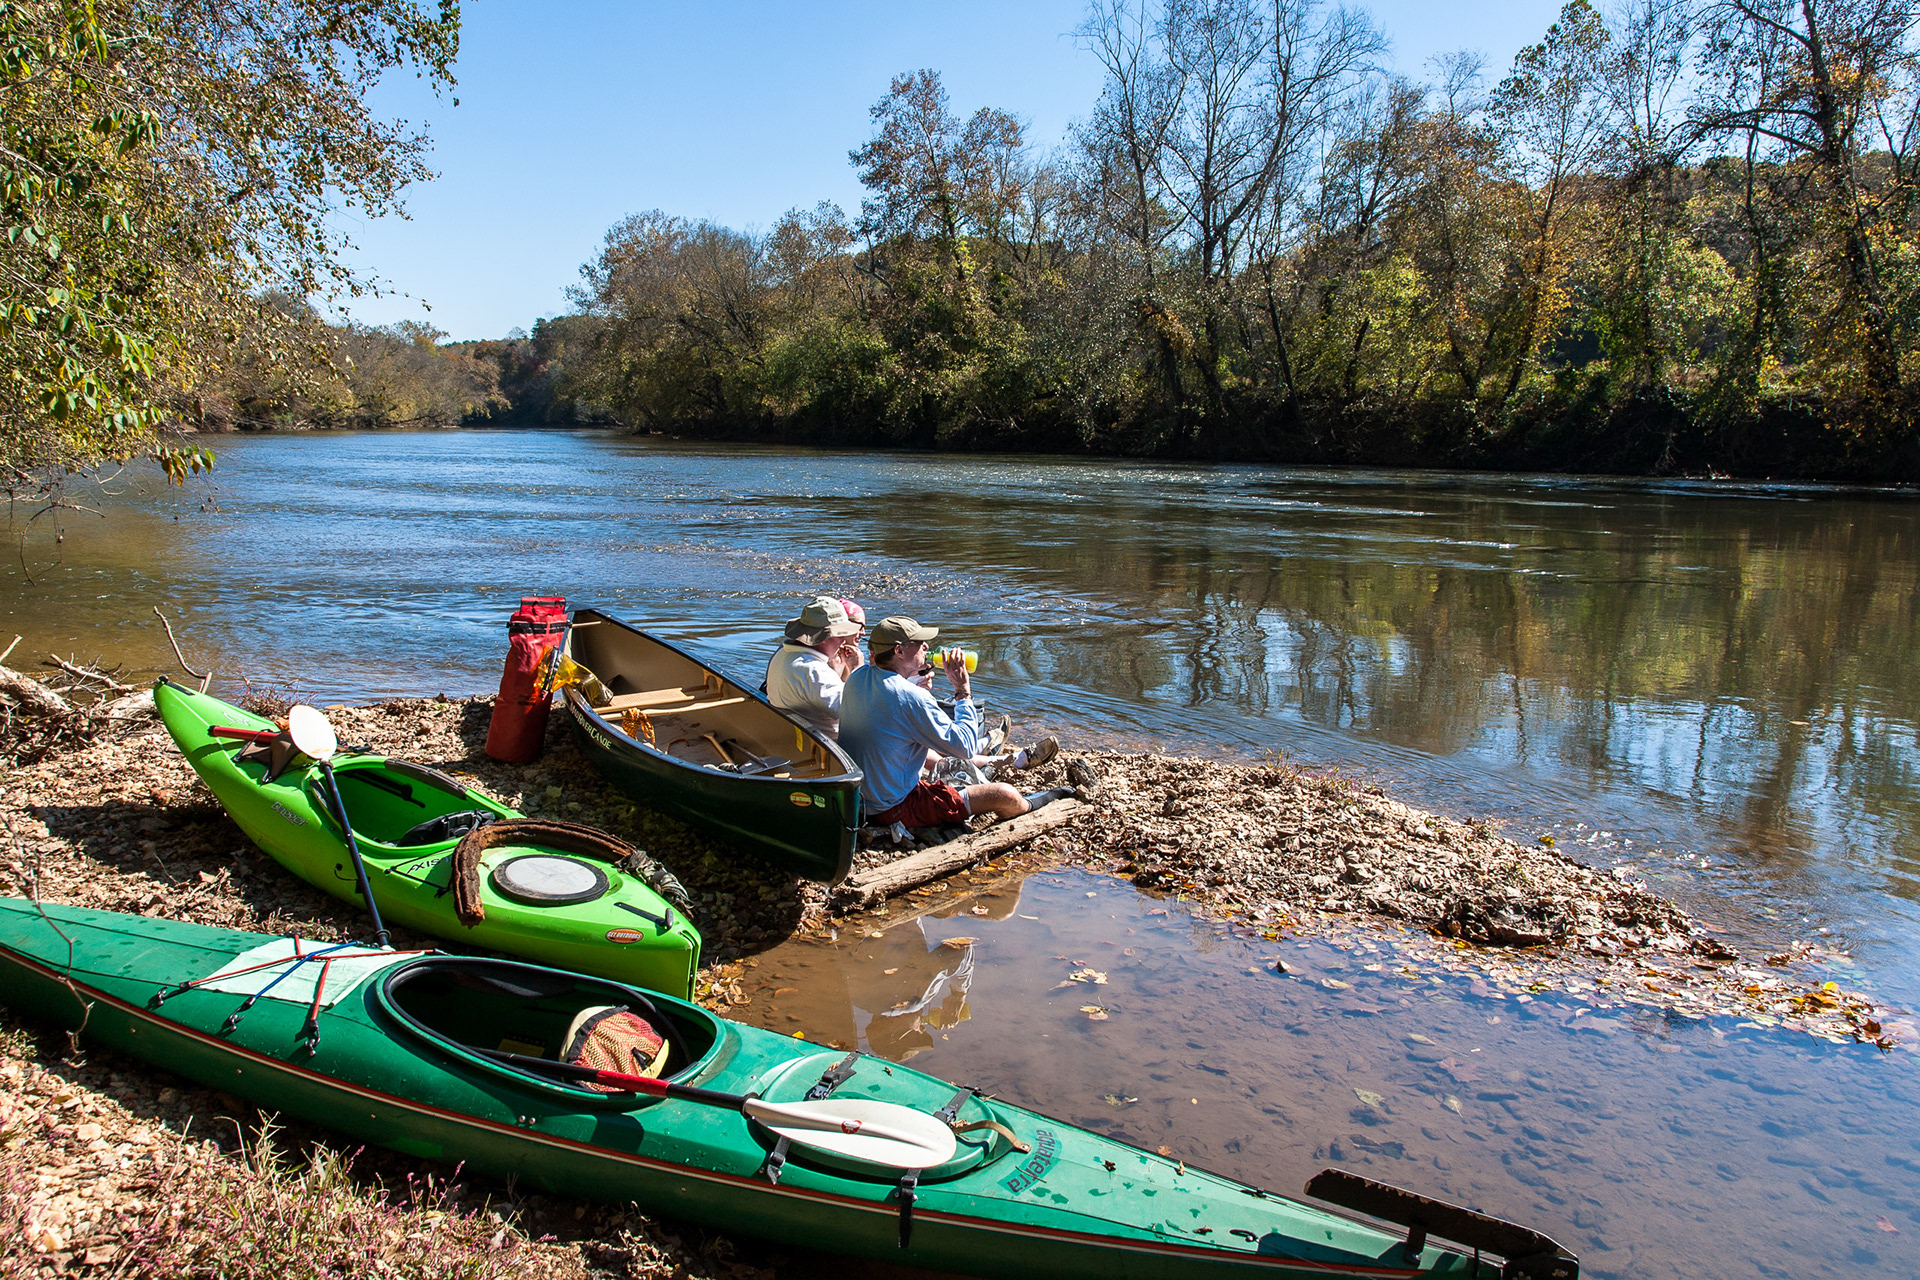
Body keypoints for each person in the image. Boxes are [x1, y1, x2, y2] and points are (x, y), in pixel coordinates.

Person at [841, 615, 1070, 831]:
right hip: (891, 807)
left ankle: (994, 764)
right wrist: (962, 690)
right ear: (899, 650)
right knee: (1004, 794)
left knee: (950, 765)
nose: (926, 646)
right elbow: (965, 748)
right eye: (919, 643)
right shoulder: (910, 697)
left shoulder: (858, 677)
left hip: (857, 798)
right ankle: (1042, 801)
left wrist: (914, 678)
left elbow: (893, 698)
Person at [764, 596, 864, 739]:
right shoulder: (814, 671)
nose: (843, 641)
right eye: (840, 634)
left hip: (794, 735)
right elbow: (858, 714)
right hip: (832, 744)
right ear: (822, 638)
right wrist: (857, 670)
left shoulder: (783, 653)